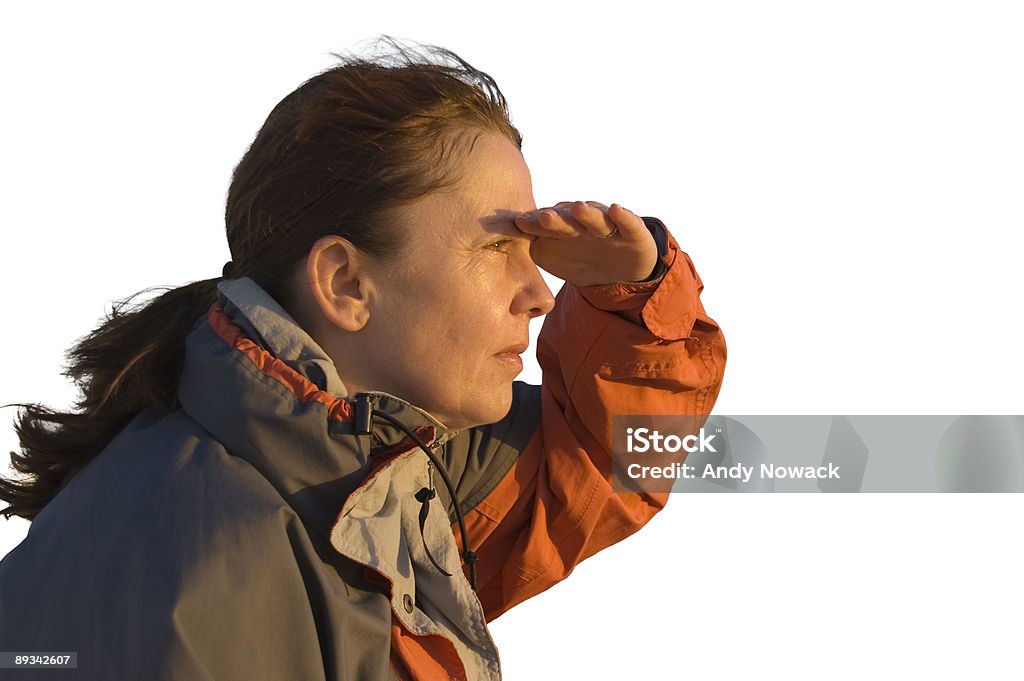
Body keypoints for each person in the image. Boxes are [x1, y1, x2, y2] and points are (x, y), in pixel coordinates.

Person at [0, 39, 726, 680]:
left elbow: (598, 466)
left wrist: (631, 297)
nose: (540, 293)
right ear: (346, 283)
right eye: (499, 247)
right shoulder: (205, 572)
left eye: (534, 252)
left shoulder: (373, 468)